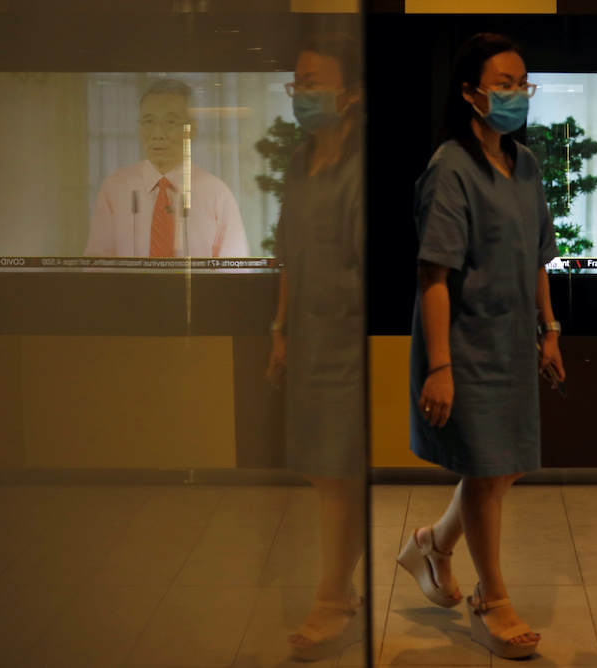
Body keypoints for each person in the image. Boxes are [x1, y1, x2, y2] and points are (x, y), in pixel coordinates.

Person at [397, 33, 565, 660]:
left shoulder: (525, 165)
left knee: (505, 464)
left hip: (513, 338)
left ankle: (433, 545)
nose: (517, 93)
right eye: (503, 84)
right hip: (463, 343)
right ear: (470, 92)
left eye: (523, 83)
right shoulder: (450, 166)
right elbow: (433, 275)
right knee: (488, 467)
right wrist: (438, 367)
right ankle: (491, 600)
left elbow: (540, 260)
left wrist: (549, 332)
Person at [265, 34, 366, 662]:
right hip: (305, 337)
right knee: (316, 466)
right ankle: (340, 590)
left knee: (337, 474)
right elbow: (288, 256)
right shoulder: (301, 162)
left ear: (350, 94)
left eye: (315, 83)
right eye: (298, 84)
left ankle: (332, 599)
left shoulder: (360, 168)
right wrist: (279, 332)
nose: (304, 94)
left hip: (348, 344)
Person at [83, 78, 250, 258]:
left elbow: (235, 270)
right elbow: (97, 267)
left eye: (170, 122)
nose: (157, 134)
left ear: (192, 129)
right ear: (139, 129)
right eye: (148, 122)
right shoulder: (116, 188)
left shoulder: (217, 194)